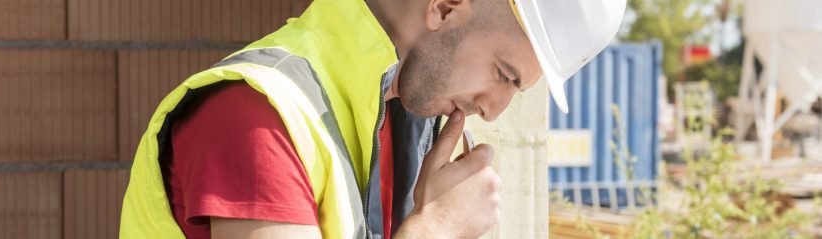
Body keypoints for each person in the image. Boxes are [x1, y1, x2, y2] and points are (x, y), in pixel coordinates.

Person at [120, 0, 626, 238]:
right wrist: (437, 230)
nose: (494, 108)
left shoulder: (402, 123)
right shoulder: (258, 114)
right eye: (504, 75)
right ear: (446, 6)